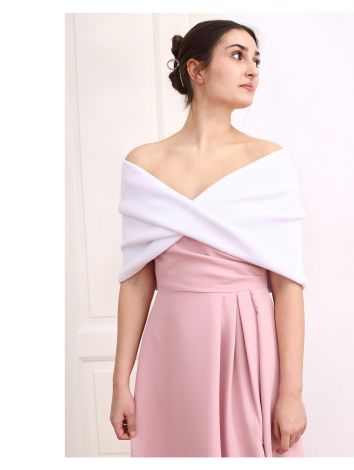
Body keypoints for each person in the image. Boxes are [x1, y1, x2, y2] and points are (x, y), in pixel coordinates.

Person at [110, 19, 308, 457]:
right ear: (196, 70)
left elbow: (287, 285)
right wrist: (120, 382)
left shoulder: (268, 161)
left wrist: (291, 392)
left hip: (248, 340)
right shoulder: (143, 164)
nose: (252, 69)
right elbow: (137, 280)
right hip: (174, 345)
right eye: (237, 55)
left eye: (256, 60)